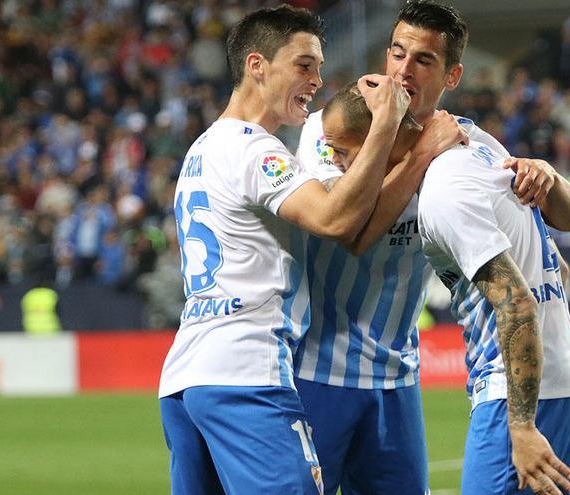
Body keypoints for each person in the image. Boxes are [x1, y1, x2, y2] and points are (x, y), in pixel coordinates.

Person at [156, 6, 462, 494]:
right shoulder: (258, 150)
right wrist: (388, 129)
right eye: (304, 65)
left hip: (186, 376)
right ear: (257, 65)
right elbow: (336, 219)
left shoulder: (202, 148)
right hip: (248, 372)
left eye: (318, 67)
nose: (317, 79)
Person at [294, 2, 570, 493]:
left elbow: (567, 222)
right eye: (397, 53)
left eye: (423, 60)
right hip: (322, 369)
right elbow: (348, 231)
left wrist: (547, 177)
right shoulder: (333, 128)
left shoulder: (468, 144)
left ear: (452, 76)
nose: (404, 70)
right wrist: (422, 154)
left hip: (397, 378)